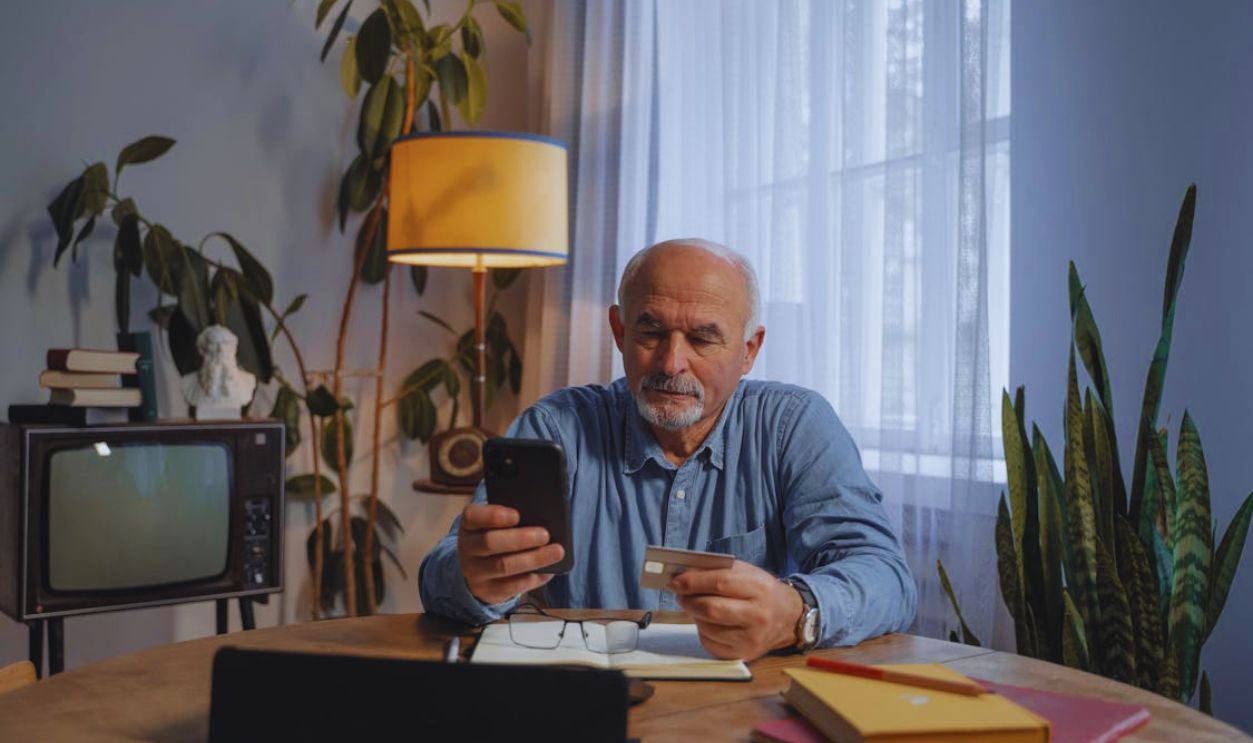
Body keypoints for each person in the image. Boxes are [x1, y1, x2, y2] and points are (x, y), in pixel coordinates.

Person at [419, 239, 916, 659]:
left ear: (749, 350)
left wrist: (796, 612)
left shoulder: (793, 426)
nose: (671, 362)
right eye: (651, 331)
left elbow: (886, 577)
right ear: (619, 331)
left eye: (702, 339)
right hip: (592, 700)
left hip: (744, 704)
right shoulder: (557, 428)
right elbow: (440, 575)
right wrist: (473, 578)